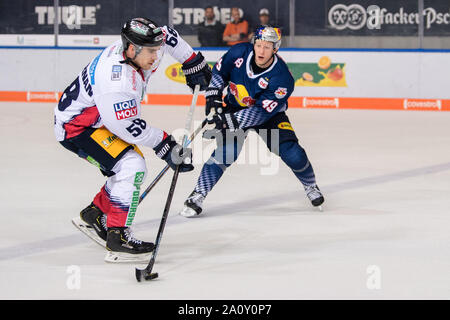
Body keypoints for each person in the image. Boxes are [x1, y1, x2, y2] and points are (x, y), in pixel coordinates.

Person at [54, 17, 212, 262]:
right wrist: (166, 145)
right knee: (131, 165)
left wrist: (192, 62)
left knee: (126, 167)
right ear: (131, 48)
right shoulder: (115, 81)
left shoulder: (141, 49)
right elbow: (125, 127)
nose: (155, 56)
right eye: (150, 51)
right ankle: (117, 236)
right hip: (77, 128)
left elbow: (168, 35)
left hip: (99, 120)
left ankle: (94, 214)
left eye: (156, 49)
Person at [179, 26, 325, 218]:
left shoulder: (282, 78)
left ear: (275, 49)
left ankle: (310, 185)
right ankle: (198, 194)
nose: (261, 51)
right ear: (253, 44)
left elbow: (262, 112)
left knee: (292, 152)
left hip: (269, 116)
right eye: (258, 45)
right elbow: (219, 73)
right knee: (226, 153)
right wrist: (213, 97)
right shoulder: (239, 52)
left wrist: (227, 121)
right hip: (234, 106)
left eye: (267, 47)